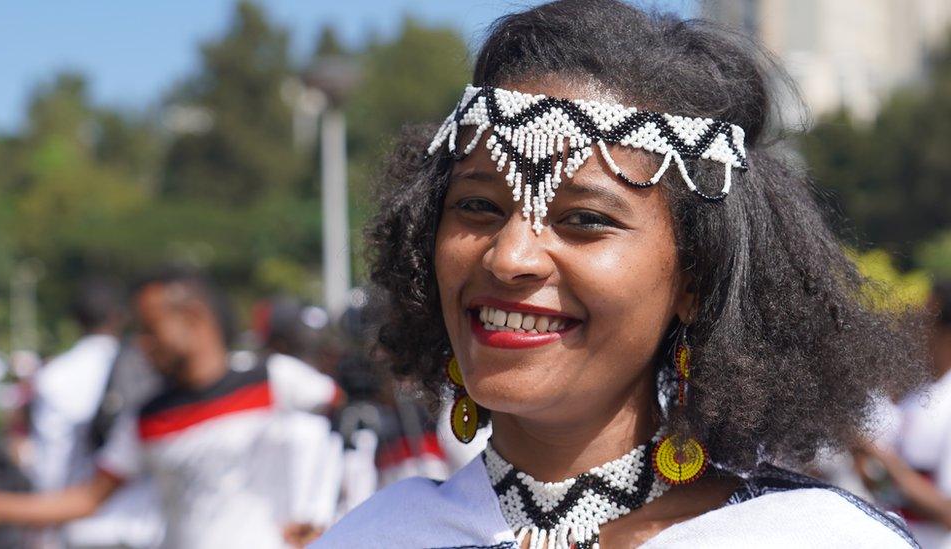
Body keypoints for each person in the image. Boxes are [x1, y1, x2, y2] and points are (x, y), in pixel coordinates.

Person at [313, 1, 928, 547]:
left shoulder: (812, 539)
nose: (509, 257)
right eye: (478, 207)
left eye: (583, 218)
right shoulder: (378, 535)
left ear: (695, 277)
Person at [0, 267, 343, 549]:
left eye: (151, 328)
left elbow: (348, 424)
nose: (143, 343)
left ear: (195, 319)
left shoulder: (271, 380)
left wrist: (315, 513)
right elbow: (88, 497)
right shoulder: (148, 418)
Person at [30, 278, 163, 548]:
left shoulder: (55, 377)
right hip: (147, 525)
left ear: (75, 321)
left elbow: (50, 465)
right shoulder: (148, 368)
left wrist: (44, 528)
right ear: (119, 317)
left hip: (83, 527)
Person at [857, 280, 951, 547]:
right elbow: (888, 492)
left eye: (926, 322)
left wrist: (878, 454)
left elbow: (947, 513)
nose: (915, 331)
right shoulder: (917, 396)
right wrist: (858, 454)